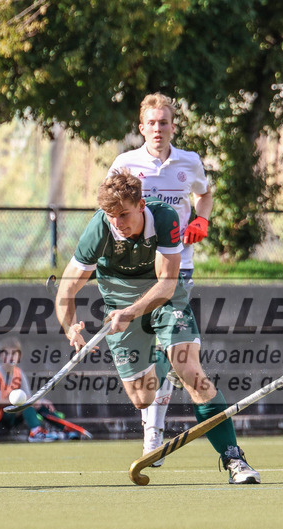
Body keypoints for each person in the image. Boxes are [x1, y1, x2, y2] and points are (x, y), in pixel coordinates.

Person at [54, 169, 259, 483]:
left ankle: (234, 458)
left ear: (140, 206)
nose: (118, 223)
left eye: (124, 214)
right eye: (111, 215)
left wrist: (132, 312)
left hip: (164, 303)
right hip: (119, 310)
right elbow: (65, 291)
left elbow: (166, 285)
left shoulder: (164, 218)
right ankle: (164, 362)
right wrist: (70, 328)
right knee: (142, 399)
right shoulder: (99, 229)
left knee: (193, 373)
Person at [106, 93, 212, 459]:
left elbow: (205, 194)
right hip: (136, 271)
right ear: (141, 127)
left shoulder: (189, 162)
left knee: (169, 351)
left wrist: (202, 218)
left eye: (163, 122)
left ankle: (153, 433)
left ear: (173, 126)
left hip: (177, 267)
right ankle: (152, 428)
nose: (157, 129)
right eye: (151, 123)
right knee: (154, 355)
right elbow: (108, 209)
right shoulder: (125, 163)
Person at [0, 337, 74, 442]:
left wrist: (40, 402)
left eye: (14, 354)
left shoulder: (19, 373)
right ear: (2, 356)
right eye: (7, 354)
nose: (11, 357)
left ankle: (65, 429)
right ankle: (36, 432)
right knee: (26, 404)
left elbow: (28, 396)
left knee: (37, 404)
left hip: (12, 413)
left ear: (19, 356)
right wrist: (25, 402)